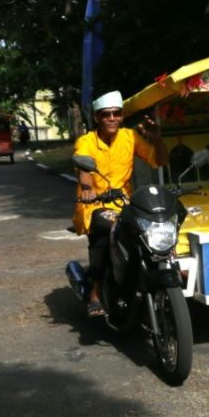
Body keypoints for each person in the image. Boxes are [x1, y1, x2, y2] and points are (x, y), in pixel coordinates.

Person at [73, 90, 169, 317]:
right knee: (104, 235)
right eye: (107, 114)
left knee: (153, 230)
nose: (112, 118)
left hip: (126, 204)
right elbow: (84, 171)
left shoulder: (130, 137)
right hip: (95, 204)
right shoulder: (86, 142)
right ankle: (95, 292)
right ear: (97, 117)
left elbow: (159, 160)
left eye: (117, 113)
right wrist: (88, 190)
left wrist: (157, 139)